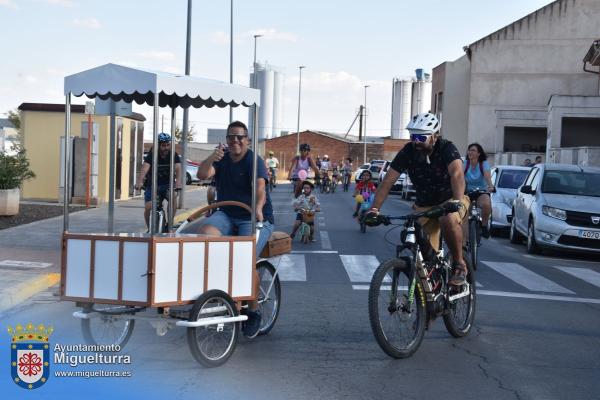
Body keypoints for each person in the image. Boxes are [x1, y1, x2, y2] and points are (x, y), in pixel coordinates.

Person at [181, 121, 274, 338]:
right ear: (226, 139)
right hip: (226, 213)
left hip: (252, 216)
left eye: (240, 137)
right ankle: (216, 295)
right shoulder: (221, 160)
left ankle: (254, 311)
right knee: (205, 235)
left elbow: (260, 188)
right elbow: (203, 175)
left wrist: (259, 209)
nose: (235, 141)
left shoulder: (254, 160)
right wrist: (212, 158)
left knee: (245, 260)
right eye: (231, 137)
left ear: (247, 140)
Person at [367, 113, 470, 286]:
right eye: (413, 136)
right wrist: (374, 209)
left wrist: (457, 201)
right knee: (416, 238)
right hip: (424, 205)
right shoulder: (408, 151)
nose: (416, 141)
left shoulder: (446, 148)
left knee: (448, 219)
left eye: (421, 137)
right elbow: (388, 181)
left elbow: (457, 174)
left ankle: (459, 263)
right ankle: (432, 283)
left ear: (434, 135)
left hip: (451, 199)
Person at [135, 133, 182, 229]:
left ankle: (170, 224)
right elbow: (145, 167)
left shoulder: (173, 155)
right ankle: (149, 228)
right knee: (148, 207)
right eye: (163, 145)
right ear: (158, 145)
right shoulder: (152, 155)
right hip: (153, 186)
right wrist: (139, 181)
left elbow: (178, 168)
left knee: (173, 198)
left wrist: (178, 182)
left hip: (167, 185)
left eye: (168, 145)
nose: (166, 148)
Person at [464, 142, 495, 238]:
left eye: (473, 150)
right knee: (464, 213)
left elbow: (487, 177)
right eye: (469, 150)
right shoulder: (465, 163)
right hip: (467, 192)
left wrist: (490, 186)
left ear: (479, 153)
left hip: (481, 191)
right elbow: (459, 177)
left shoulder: (483, 164)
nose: (470, 152)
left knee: (486, 205)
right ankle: (465, 239)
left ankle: (484, 226)